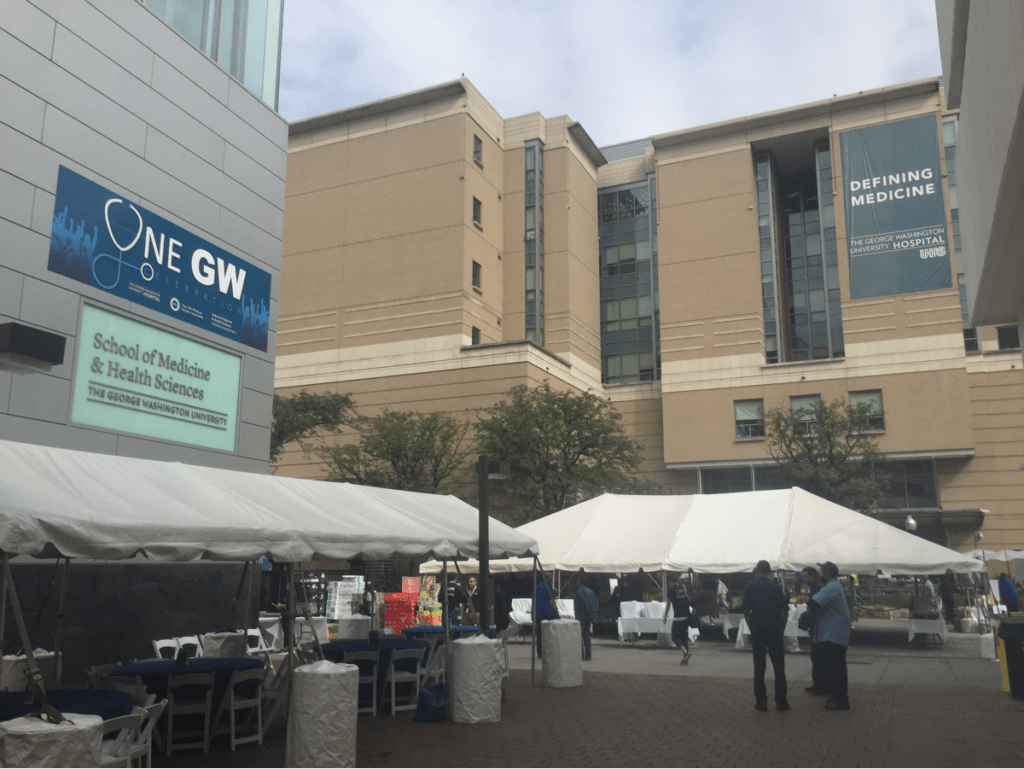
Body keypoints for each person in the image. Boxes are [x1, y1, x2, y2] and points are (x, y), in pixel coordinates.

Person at [742, 560, 790, 712]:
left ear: (757, 570)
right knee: (779, 667)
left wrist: (752, 628)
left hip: (758, 630)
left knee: (759, 667)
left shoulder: (750, 587)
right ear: (769, 571)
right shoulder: (776, 587)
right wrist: (781, 628)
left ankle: (761, 701)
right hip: (775, 629)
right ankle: (781, 701)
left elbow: (747, 612)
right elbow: (784, 612)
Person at [807, 561, 852, 711]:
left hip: (833, 633)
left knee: (835, 667)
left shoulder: (832, 587)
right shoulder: (832, 587)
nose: (819, 574)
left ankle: (841, 699)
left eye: (821, 571)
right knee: (833, 666)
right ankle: (835, 695)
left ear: (827, 574)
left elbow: (814, 603)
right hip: (831, 633)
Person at [800, 566, 824, 696]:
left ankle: (819, 684)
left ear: (813, 576)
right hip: (817, 626)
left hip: (817, 627)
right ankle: (818, 683)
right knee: (816, 657)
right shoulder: (816, 587)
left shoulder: (816, 588)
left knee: (816, 656)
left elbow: (814, 607)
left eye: (805, 576)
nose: (804, 579)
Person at [663, 576, 694, 664]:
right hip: (686, 616)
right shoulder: (682, 587)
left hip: (678, 617)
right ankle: (685, 658)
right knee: (684, 637)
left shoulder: (671, 590)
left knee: (674, 637)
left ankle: (685, 651)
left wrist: (665, 616)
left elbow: (668, 605)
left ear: (670, 582)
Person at [574, 572, 599, 661]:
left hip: (581, 614)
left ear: (580, 582)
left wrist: (587, 610)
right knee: (587, 634)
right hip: (590, 614)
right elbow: (595, 602)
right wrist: (593, 612)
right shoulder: (591, 591)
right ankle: (588, 655)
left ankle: (581, 654)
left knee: (579, 634)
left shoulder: (579, 591)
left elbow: (583, 602)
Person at [535, 572, 559, 658]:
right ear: (547, 578)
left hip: (538, 614)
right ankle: (548, 651)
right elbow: (552, 600)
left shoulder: (537, 587)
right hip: (548, 614)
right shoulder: (548, 587)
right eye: (551, 577)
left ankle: (539, 652)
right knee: (549, 633)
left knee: (540, 634)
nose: (552, 578)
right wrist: (556, 611)